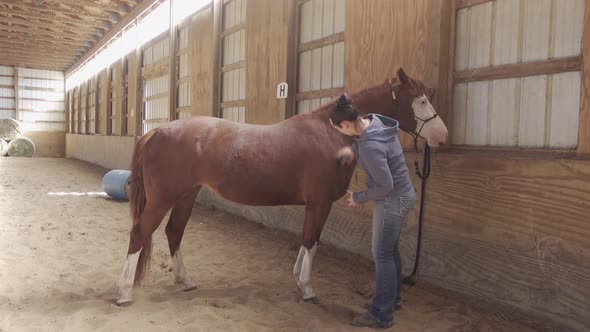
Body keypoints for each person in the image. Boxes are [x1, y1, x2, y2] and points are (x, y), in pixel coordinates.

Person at [329, 93, 416, 329]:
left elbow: (384, 186)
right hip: (404, 194)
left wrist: (358, 197)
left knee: (382, 254)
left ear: (345, 124)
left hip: (392, 199)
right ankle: (392, 300)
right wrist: (353, 150)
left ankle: (381, 314)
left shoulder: (370, 146)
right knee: (390, 251)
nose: (341, 133)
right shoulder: (375, 122)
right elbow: (367, 140)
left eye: (339, 129)